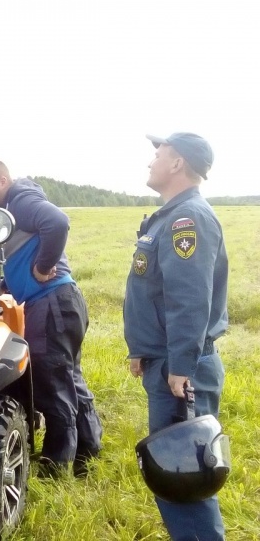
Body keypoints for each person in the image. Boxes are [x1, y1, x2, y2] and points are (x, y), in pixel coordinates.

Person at [0, 159, 103, 476]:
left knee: (51, 384)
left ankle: (56, 466)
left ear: (2, 181)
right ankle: (89, 450)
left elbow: (57, 222)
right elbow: (0, 237)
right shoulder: (8, 210)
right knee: (70, 378)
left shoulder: (20, 200)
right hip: (63, 302)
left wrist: (43, 268)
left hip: (51, 302)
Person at [124, 133, 227, 540]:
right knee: (175, 471)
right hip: (165, 360)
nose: (151, 160)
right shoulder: (169, 215)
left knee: (185, 474)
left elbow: (189, 300)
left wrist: (181, 366)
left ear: (177, 162)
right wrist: (141, 351)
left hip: (180, 369)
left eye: (158, 153)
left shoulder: (188, 219)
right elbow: (155, 294)